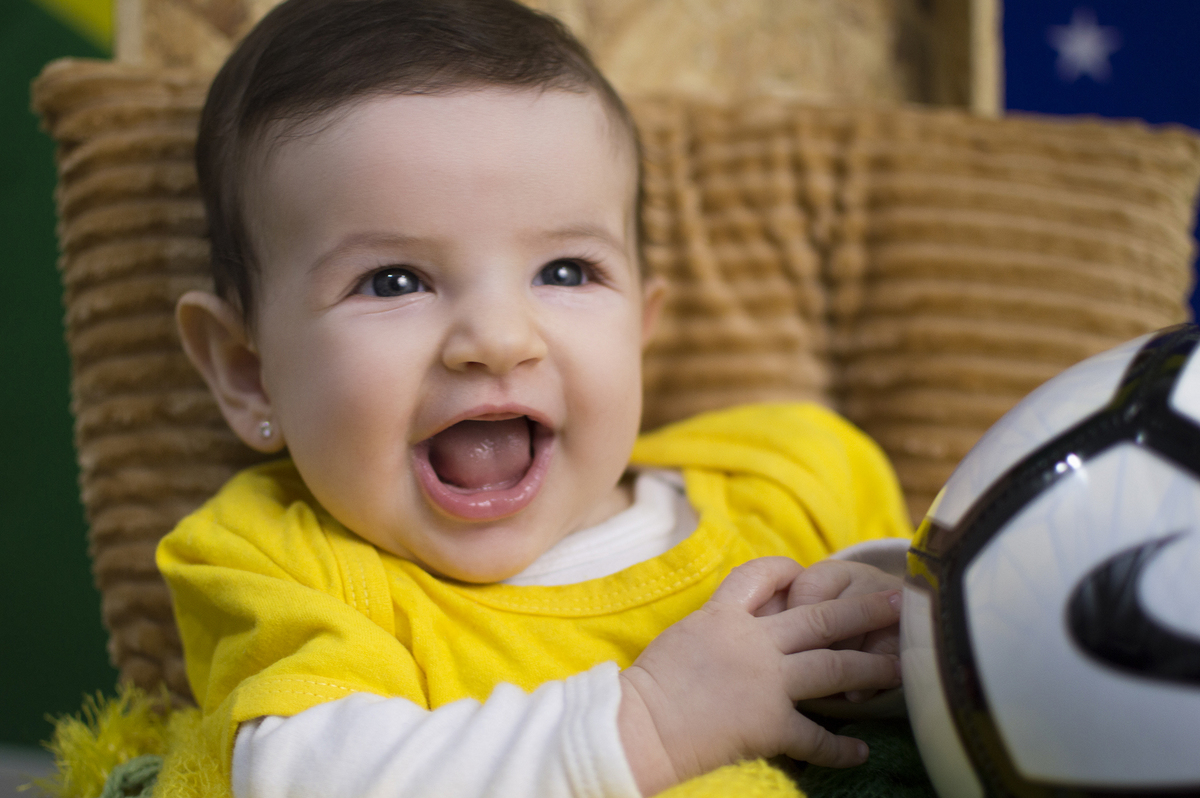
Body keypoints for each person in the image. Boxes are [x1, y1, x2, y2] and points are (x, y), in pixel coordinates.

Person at [157, 0, 913, 795]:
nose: (497, 337)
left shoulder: (794, 477)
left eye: (565, 272)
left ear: (639, 326)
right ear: (249, 371)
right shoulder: (279, 562)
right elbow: (306, 777)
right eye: (394, 281)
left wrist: (889, 646)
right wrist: (652, 723)